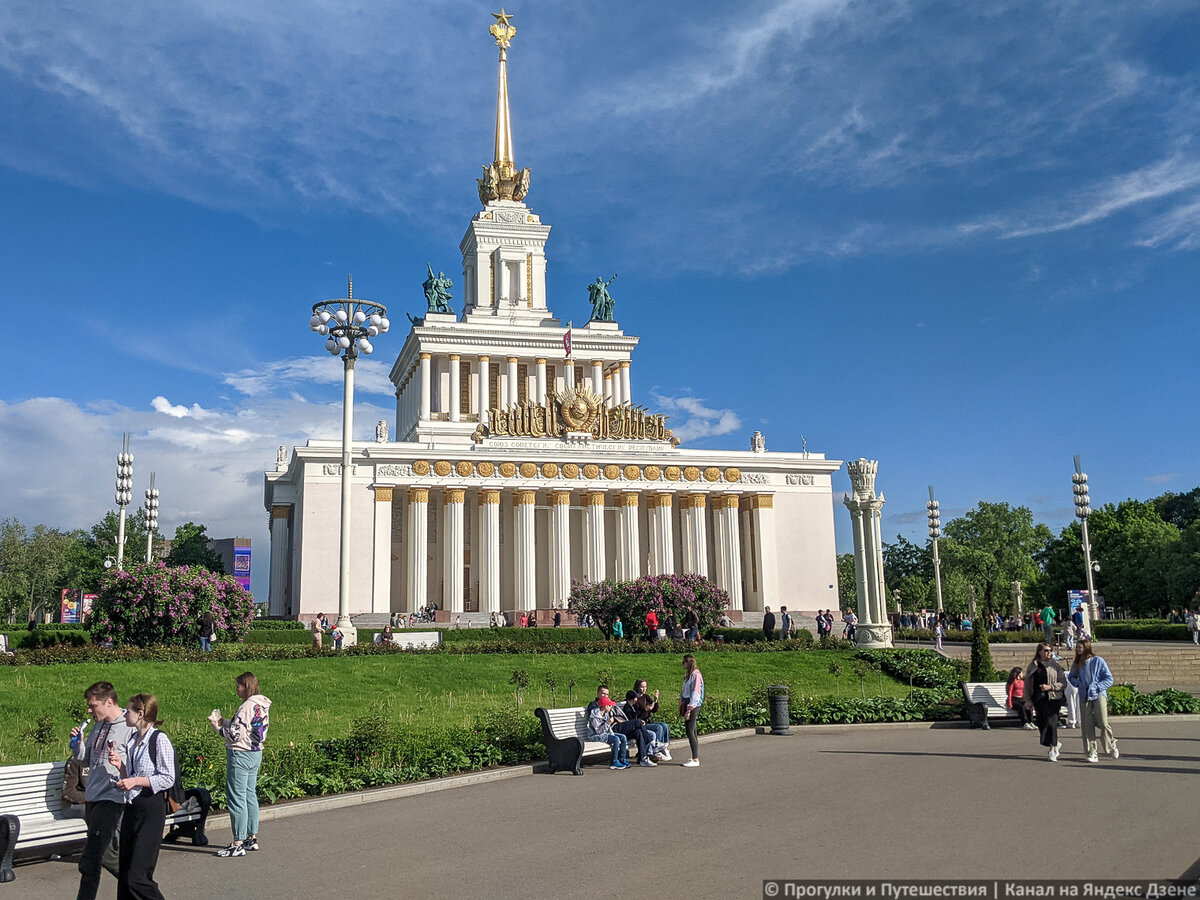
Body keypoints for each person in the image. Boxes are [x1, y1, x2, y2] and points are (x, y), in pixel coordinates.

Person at [73, 681, 136, 900]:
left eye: (93, 706)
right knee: (108, 855)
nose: (89, 711)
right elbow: (84, 759)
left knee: (90, 859)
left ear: (109, 702)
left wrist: (121, 765)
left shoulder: (130, 726)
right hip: (93, 797)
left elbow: (139, 765)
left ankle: (141, 887)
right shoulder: (98, 725)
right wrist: (77, 744)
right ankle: (140, 887)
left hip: (113, 797)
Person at [109, 694, 175, 900]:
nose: (124, 713)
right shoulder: (133, 740)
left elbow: (167, 778)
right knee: (126, 873)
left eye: (128, 710)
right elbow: (132, 775)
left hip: (150, 809)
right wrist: (120, 766)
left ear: (140, 714)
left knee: (137, 876)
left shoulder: (158, 739)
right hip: (132, 807)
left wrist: (135, 781)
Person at [210, 672, 271, 858]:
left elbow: (235, 735)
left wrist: (218, 727)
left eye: (239, 686)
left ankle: (237, 842)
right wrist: (226, 722)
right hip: (255, 752)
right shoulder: (261, 704)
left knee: (237, 798)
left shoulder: (246, 706)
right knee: (250, 794)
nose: (236, 689)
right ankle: (252, 837)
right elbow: (246, 728)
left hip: (240, 754)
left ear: (246, 686)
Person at [1067, 641, 1118, 763]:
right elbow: (1071, 677)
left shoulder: (1098, 661)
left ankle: (1110, 745)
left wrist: (1097, 687)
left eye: (1080, 647)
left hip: (1098, 694)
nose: (1078, 649)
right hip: (1084, 695)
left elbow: (1109, 678)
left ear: (1086, 648)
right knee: (1087, 725)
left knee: (1102, 722)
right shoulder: (1077, 663)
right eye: (1077, 647)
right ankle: (1091, 752)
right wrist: (1079, 684)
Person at [1023, 643, 1066, 761]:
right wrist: (1027, 699)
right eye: (1046, 650)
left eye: (1050, 651)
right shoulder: (1033, 665)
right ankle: (1054, 742)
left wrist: (1050, 687)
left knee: (1051, 722)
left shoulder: (1055, 666)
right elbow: (1027, 684)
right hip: (1038, 697)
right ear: (1039, 652)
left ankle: (1052, 749)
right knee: (1042, 723)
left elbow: (1063, 683)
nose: (1048, 653)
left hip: (1053, 697)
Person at [626, 680, 671, 760]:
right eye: (642, 687)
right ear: (637, 687)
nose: (644, 689)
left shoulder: (645, 697)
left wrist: (655, 700)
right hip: (641, 723)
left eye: (645, 687)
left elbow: (654, 710)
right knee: (658, 727)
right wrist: (645, 710)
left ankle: (663, 748)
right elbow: (635, 714)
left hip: (647, 721)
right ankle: (655, 750)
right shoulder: (635, 698)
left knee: (664, 725)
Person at [586, 687, 630, 769]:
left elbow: (608, 729)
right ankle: (614, 762)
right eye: (609, 705)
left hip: (605, 733)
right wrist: (608, 722)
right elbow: (598, 731)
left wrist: (612, 733)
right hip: (595, 735)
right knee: (616, 739)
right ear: (605, 706)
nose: (610, 707)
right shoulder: (595, 716)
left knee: (623, 737)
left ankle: (622, 758)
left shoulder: (606, 714)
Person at [680, 654, 704, 767]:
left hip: (693, 704)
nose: (682, 664)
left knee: (690, 730)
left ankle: (695, 758)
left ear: (688, 663)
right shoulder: (688, 675)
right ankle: (694, 756)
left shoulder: (696, 675)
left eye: (683, 662)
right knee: (691, 730)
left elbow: (695, 693)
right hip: (688, 703)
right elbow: (685, 691)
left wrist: (689, 709)